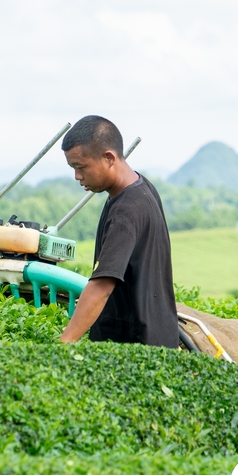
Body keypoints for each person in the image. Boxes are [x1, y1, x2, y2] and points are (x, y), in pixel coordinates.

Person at [58, 115, 178, 348]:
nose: (77, 176)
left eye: (81, 167)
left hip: (135, 346)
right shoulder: (142, 188)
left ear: (109, 158)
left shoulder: (126, 211)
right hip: (158, 335)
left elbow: (102, 286)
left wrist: (65, 343)